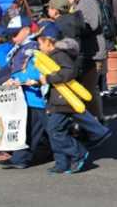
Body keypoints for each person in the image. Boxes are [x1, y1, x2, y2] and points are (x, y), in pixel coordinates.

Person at [0, 15, 49, 170]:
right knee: (34, 130)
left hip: (37, 97)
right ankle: (23, 157)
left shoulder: (33, 48)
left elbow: (36, 69)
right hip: (26, 97)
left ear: (26, 30)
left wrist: (21, 80)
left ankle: (75, 153)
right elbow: (12, 69)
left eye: (15, 33)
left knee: (44, 130)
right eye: (11, 34)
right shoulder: (19, 49)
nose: (12, 37)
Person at [37, 23, 89, 174]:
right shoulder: (51, 56)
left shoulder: (60, 55)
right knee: (54, 131)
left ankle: (78, 153)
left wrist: (48, 78)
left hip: (64, 100)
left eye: (40, 43)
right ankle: (61, 162)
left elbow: (69, 72)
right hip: (55, 100)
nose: (39, 47)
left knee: (55, 130)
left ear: (49, 41)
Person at [66, 0, 107, 120]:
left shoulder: (87, 1)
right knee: (89, 89)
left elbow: (90, 25)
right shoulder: (85, 0)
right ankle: (96, 121)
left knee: (88, 90)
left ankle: (97, 122)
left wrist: (73, 27)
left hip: (92, 52)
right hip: (92, 50)